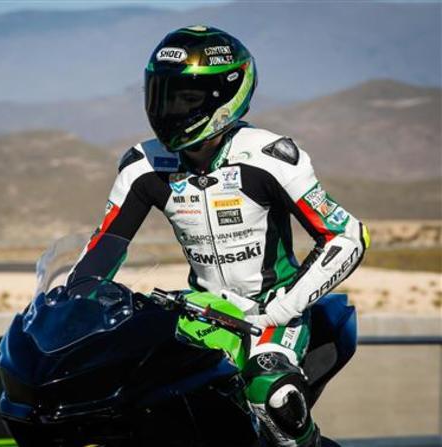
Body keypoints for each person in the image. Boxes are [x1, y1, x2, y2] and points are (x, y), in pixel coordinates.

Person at [67, 25, 370, 447]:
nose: (170, 109)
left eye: (186, 98)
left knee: (273, 398)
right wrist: (69, 305)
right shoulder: (143, 165)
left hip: (272, 313)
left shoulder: (270, 157)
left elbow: (347, 236)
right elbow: (103, 248)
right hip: (199, 311)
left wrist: (283, 307)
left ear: (225, 95)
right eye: (164, 96)